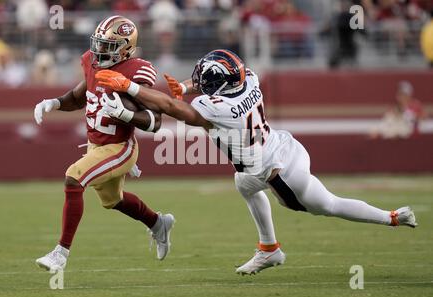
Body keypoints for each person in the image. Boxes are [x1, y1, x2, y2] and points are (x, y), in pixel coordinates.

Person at [95, 49, 417, 275]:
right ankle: (269, 248)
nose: (200, 85)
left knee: (326, 205)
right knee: (243, 183)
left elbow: (170, 107)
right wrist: (190, 85)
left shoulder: (216, 108)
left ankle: (390, 218)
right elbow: (214, 85)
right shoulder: (250, 79)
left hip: (278, 173)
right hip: (283, 147)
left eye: (204, 82)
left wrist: (130, 86)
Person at [33, 16, 175, 272]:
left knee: (73, 178)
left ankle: (60, 254)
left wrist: (127, 115)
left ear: (126, 48)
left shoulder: (136, 71)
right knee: (112, 200)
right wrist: (54, 103)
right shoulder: (92, 61)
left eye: (108, 45)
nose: (100, 51)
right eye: (98, 43)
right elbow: (79, 96)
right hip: (96, 145)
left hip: (120, 147)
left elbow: (155, 121)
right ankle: (158, 223)